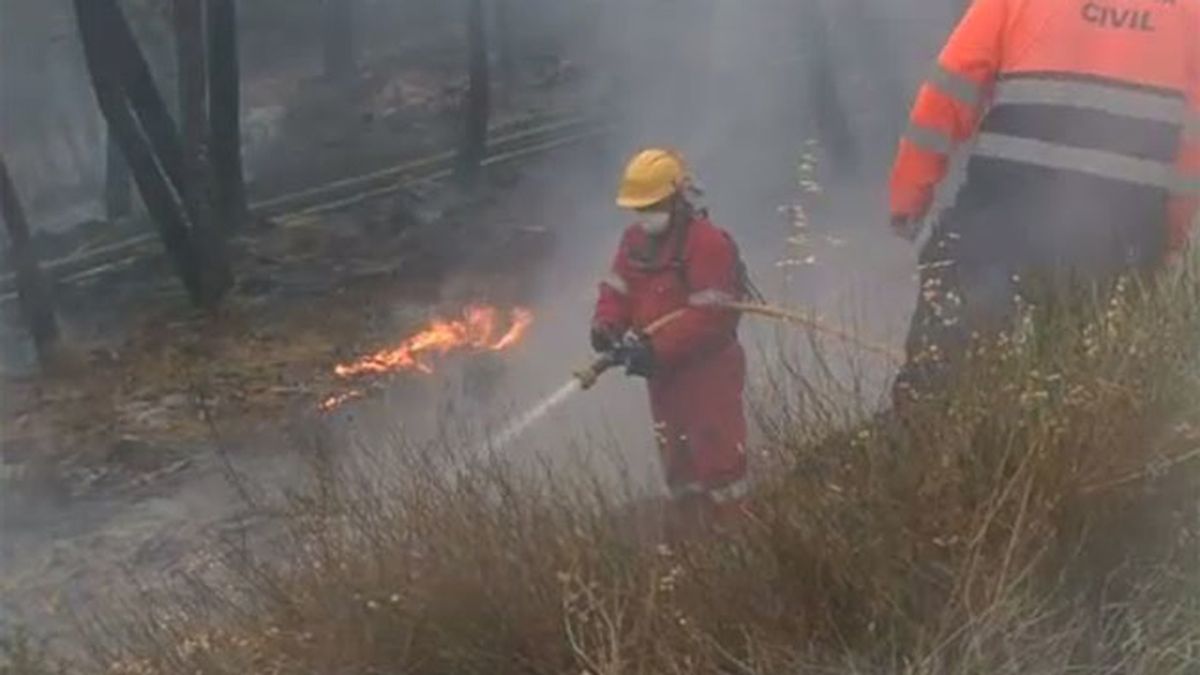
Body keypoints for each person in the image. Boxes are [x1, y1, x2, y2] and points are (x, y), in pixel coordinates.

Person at [888, 0, 1199, 402]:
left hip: (999, 220)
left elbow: (949, 90)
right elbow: (1193, 142)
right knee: (1083, 397)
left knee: (939, 379)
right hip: (1120, 239)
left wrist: (909, 198)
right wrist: (1169, 236)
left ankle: (924, 445)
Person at [591, 148, 750, 526]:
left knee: (718, 454)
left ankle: (739, 536)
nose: (645, 216)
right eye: (639, 208)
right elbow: (617, 289)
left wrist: (654, 349)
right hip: (663, 375)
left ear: (677, 198)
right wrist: (606, 324)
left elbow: (711, 318)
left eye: (653, 206)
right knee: (677, 458)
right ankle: (693, 538)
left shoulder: (708, 244)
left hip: (707, 371)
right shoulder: (634, 242)